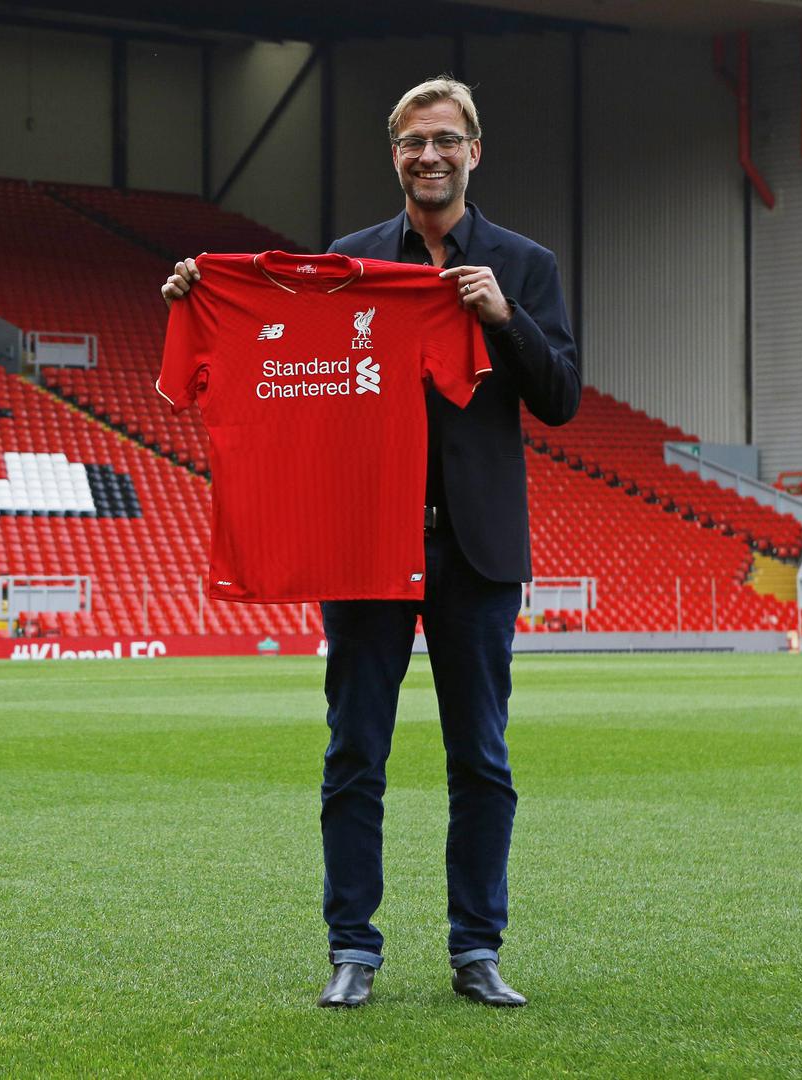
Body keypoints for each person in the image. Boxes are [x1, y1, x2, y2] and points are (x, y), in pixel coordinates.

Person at [160, 76, 580, 1008]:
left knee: (482, 759)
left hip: (475, 546)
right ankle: (352, 946)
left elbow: (560, 398)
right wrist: (200, 292)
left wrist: (502, 318)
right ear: (394, 156)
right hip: (361, 539)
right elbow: (278, 343)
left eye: (445, 139)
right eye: (412, 141)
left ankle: (477, 950)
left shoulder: (523, 265)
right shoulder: (347, 263)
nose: (429, 155)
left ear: (474, 150)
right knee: (355, 752)